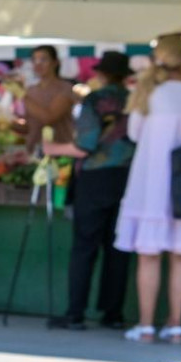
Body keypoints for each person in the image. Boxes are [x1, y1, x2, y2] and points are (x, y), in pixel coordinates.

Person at [117, 34, 181, 344]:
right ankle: (176, 324)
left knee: (149, 256)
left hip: (151, 180)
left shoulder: (148, 90)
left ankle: (145, 326)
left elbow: (134, 133)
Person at [47, 50, 135, 331]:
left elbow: (84, 145)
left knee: (84, 247)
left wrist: (50, 148)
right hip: (128, 178)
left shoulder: (95, 100)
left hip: (95, 178)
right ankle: (113, 313)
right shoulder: (136, 100)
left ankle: (75, 313)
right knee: (118, 248)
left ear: (102, 73)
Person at [21, 44, 75, 152]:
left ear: (55, 62)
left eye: (43, 60)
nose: (38, 64)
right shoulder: (31, 90)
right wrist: (7, 124)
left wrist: (22, 96)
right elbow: (30, 126)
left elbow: (49, 118)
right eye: (34, 60)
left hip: (60, 151)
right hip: (34, 150)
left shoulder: (65, 88)